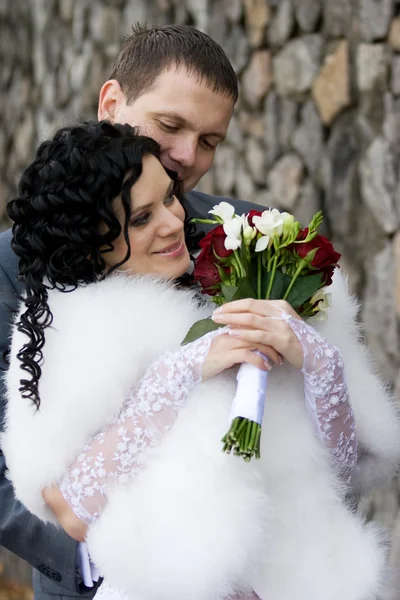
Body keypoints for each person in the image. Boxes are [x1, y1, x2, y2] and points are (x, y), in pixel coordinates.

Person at [0, 23, 398, 600]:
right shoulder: (15, 266)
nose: (187, 157)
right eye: (170, 126)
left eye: (210, 140)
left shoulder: (255, 236)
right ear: (112, 102)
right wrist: (149, 561)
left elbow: (328, 454)